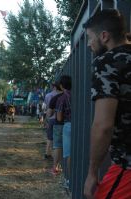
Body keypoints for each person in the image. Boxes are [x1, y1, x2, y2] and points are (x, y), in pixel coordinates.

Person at [83, 9, 131, 199]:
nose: (88, 44)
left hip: (127, 166)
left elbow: (103, 126)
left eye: (89, 38)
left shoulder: (106, 62)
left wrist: (92, 172)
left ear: (104, 36)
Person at [55, 75, 71, 188]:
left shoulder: (62, 98)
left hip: (69, 125)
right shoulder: (78, 94)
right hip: (84, 125)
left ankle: (69, 180)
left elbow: (59, 118)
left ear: (61, 85)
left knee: (69, 154)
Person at [43, 82, 62, 160]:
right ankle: (56, 158)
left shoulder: (47, 95)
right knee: (57, 140)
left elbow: (45, 107)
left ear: (53, 87)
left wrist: (46, 119)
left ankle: (47, 153)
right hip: (57, 118)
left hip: (49, 118)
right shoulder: (61, 95)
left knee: (49, 137)